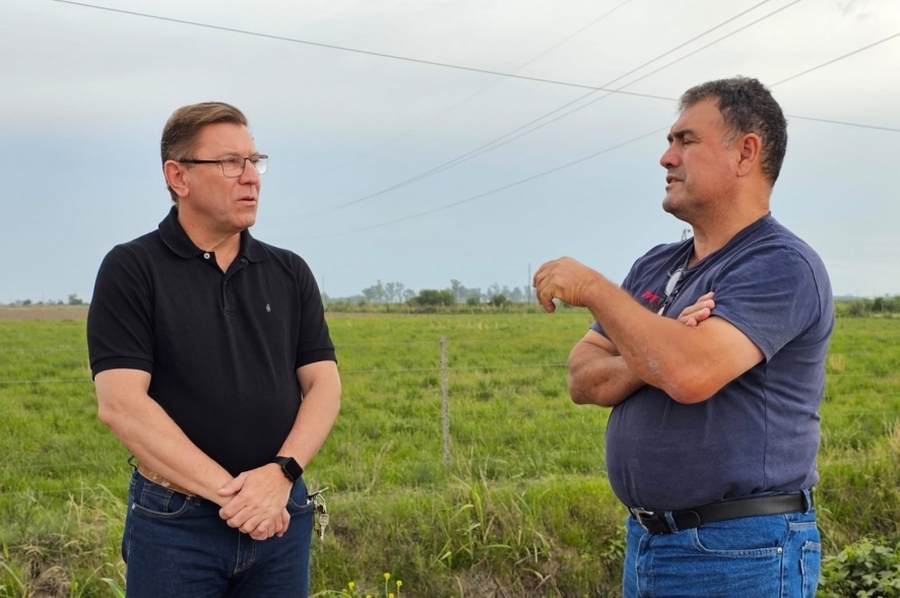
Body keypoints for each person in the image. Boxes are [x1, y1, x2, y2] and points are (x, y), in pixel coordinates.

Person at [533, 77, 833, 597]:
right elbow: (583, 379)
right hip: (648, 541)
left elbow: (689, 374)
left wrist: (593, 289)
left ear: (746, 152)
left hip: (741, 552)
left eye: (686, 141)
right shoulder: (656, 263)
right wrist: (658, 348)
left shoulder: (779, 265)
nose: (666, 158)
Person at [87, 102, 341, 597]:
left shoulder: (289, 272)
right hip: (176, 524)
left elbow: (323, 384)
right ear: (178, 176)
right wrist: (241, 497)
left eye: (254, 160)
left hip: (281, 518)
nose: (251, 178)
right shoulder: (132, 269)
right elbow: (121, 405)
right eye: (230, 163)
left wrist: (281, 477)